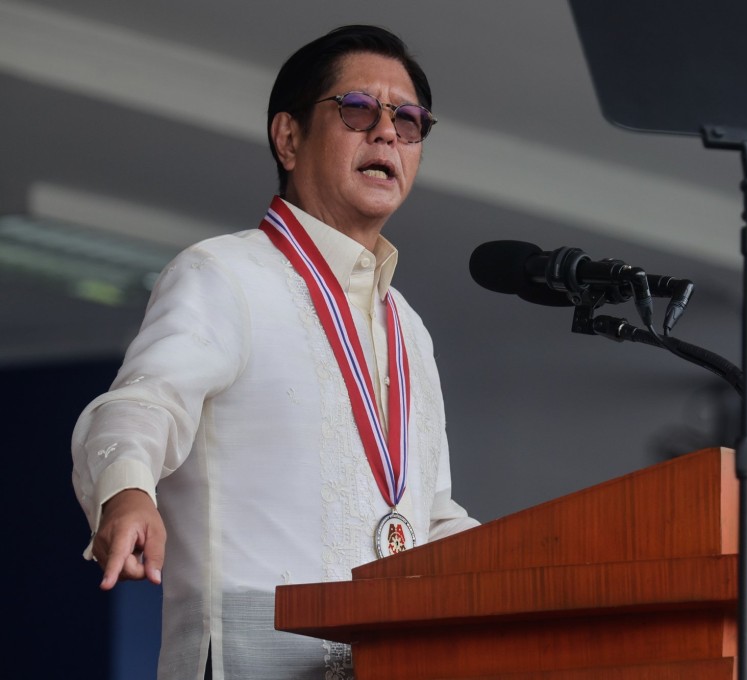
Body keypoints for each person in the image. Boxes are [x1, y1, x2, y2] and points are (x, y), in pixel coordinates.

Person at [71, 25, 479, 680]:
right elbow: (143, 404)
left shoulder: (407, 325)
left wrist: (549, 567)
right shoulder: (225, 273)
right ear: (288, 138)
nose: (386, 133)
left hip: (387, 659)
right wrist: (127, 493)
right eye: (357, 109)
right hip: (246, 658)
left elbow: (426, 516)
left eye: (408, 121)